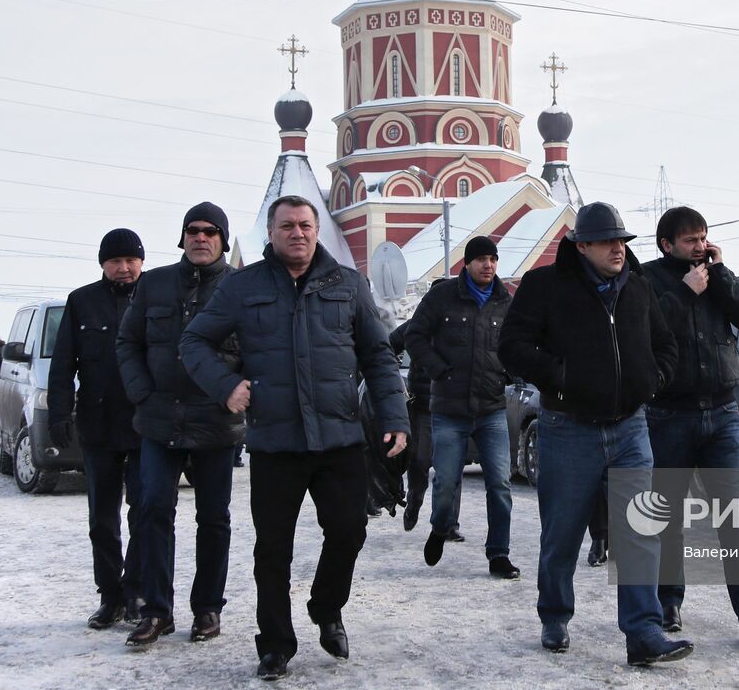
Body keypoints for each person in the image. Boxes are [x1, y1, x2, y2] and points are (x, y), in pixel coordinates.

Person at [180, 194, 408, 682]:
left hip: (340, 437)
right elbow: (193, 341)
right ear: (271, 231)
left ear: (317, 230)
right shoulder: (244, 287)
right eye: (287, 226)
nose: (298, 233)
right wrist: (226, 386)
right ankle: (276, 644)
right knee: (273, 550)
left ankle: (327, 607)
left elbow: (379, 356)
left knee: (349, 531)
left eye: (306, 225)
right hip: (275, 444)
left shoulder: (347, 284)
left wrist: (395, 416)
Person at [499, 202, 692, 667]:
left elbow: (665, 345)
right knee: (562, 532)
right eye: (607, 241)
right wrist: (560, 375)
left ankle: (643, 631)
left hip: (630, 427)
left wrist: (652, 380)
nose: (617, 249)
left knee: (640, 531)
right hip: (568, 430)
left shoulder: (638, 289)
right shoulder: (546, 286)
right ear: (581, 245)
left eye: (622, 241)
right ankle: (554, 614)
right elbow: (512, 345)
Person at [643, 206, 739, 640]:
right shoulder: (650, 280)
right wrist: (687, 292)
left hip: (724, 413)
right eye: (690, 239)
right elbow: (648, 331)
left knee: (736, 515)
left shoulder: (716, 275)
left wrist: (722, 273)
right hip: (669, 414)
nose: (700, 245)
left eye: (703, 237)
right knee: (667, 518)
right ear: (667, 244)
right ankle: (668, 604)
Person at [116, 203, 243, 649]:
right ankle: (154, 611)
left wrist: (239, 394)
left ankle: (208, 606)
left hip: (215, 423)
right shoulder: (153, 284)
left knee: (213, 518)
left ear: (223, 240)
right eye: (193, 230)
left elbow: (255, 353)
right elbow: (128, 342)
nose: (201, 238)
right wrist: (141, 393)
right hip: (158, 419)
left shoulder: (240, 288)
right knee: (151, 512)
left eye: (211, 231)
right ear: (182, 237)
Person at [47, 228, 147, 630]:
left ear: (142, 261)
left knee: (145, 513)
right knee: (101, 519)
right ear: (102, 264)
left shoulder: (156, 295)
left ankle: (138, 592)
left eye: (130, 260)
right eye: (115, 261)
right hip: (98, 426)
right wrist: (58, 414)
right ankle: (111, 596)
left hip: (144, 428)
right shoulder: (81, 301)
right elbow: (62, 365)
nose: (123, 268)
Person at [406, 235, 518, 578]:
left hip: (491, 409)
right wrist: (438, 369)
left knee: (500, 484)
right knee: (445, 483)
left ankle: (498, 554)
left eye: (493, 259)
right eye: (481, 259)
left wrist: (508, 374)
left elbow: (518, 344)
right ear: (466, 264)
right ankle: (440, 527)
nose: (488, 265)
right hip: (449, 409)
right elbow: (414, 337)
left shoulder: (505, 301)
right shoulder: (443, 296)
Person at [396, 318, 464, 540]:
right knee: (420, 460)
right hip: (423, 406)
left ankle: (448, 523)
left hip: (452, 405)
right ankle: (415, 498)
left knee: (451, 465)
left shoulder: (463, 322)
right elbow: (388, 345)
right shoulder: (418, 324)